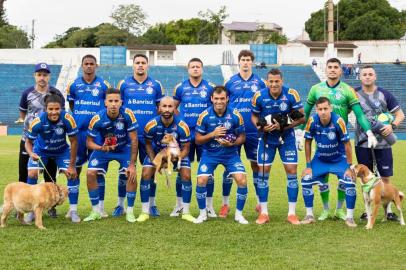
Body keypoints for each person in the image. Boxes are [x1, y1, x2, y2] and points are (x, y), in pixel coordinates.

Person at [302, 57, 377, 221]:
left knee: (345, 177)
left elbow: (359, 115)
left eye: (336, 67)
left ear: (341, 70)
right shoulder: (316, 89)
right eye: (330, 67)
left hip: (341, 143)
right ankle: (326, 210)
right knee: (323, 178)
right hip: (322, 142)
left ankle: (340, 209)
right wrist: (300, 133)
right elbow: (305, 113)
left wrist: (369, 132)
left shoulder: (348, 90)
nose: (333, 69)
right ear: (325, 69)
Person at [251, 68, 305, 225]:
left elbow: (301, 117)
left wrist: (283, 126)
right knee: (263, 172)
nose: (274, 84)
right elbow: (254, 115)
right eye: (271, 81)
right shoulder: (259, 95)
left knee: (291, 171)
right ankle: (264, 213)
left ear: (282, 81)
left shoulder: (291, 94)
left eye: (277, 81)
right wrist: (260, 127)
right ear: (267, 82)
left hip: (286, 138)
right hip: (266, 138)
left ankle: (292, 213)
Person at [355, 65, 405, 221]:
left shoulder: (385, 94)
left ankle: (388, 211)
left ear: (375, 76)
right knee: (365, 179)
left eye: (370, 74)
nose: (368, 77)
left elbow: (400, 114)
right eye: (364, 74)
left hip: (383, 143)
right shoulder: (354, 94)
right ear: (360, 77)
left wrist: (392, 125)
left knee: (385, 177)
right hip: (362, 142)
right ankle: (367, 211)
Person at [194, 86, 248, 224]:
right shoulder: (204, 116)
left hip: (230, 154)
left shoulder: (235, 114)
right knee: (201, 180)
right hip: (210, 154)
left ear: (227, 99)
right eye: (216, 98)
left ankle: (239, 215)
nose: (219, 101)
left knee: (242, 180)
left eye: (222, 98)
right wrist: (213, 134)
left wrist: (233, 143)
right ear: (212, 99)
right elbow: (197, 140)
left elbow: (242, 137)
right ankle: (202, 214)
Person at [118, 54, 164, 217]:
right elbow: (119, 107)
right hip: (128, 135)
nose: (140, 65)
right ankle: (120, 205)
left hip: (149, 137)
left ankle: (152, 204)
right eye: (137, 63)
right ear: (133, 65)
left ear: (148, 66)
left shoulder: (155, 85)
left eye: (143, 63)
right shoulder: (124, 84)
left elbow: (161, 109)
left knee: (150, 170)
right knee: (125, 170)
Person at [223, 49, 267, 218]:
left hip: (254, 131)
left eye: (248, 59)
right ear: (239, 62)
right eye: (243, 59)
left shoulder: (260, 82)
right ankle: (225, 204)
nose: (246, 62)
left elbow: (264, 103)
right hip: (234, 131)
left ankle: (258, 202)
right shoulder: (230, 82)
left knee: (256, 165)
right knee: (229, 167)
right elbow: (223, 103)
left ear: (252, 62)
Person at [83, 88, 139, 223]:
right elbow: (89, 143)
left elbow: (134, 139)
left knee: (131, 173)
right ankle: (96, 211)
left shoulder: (128, 114)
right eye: (110, 101)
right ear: (105, 103)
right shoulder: (97, 118)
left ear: (121, 102)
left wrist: (132, 164)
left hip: (123, 148)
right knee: (90, 173)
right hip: (104, 149)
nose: (113, 104)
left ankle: (129, 211)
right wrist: (102, 147)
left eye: (116, 101)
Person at [136, 96, 195, 223]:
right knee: (146, 173)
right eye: (164, 106)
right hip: (157, 154)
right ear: (158, 108)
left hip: (177, 155)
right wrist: (154, 161)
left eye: (170, 106)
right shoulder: (151, 125)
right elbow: (147, 144)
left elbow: (186, 148)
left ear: (175, 108)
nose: (167, 109)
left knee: (186, 175)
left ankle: (186, 212)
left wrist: (176, 159)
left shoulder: (182, 126)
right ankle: (145, 212)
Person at [17, 62, 65, 218]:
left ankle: (50, 205)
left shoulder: (55, 93)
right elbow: (23, 114)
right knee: (25, 174)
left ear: (49, 76)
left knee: (49, 174)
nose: (42, 77)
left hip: (49, 142)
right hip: (29, 139)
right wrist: (32, 127)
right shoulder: (27, 93)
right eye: (39, 74)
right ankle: (24, 208)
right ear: (35, 76)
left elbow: (61, 114)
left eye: (45, 75)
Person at [301, 97, 357, 227]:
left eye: (325, 108)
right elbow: (308, 142)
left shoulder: (338, 121)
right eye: (320, 109)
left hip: (339, 159)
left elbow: (348, 144)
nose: (323, 112)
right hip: (320, 159)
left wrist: (349, 167)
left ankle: (347, 216)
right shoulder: (312, 121)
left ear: (330, 108)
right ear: (317, 110)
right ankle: (310, 215)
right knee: (306, 179)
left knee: (349, 180)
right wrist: (308, 166)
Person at [66, 54, 111, 218]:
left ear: (96, 66)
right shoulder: (73, 85)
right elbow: (72, 105)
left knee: (97, 171)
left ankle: (100, 207)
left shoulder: (104, 85)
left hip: (97, 134)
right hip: (78, 134)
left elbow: (109, 103)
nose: (89, 66)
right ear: (82, 65)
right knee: (74, 170)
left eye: (92, 64)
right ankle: (73, 209)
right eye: (86, 63)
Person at [24, 94, 79, 223]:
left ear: (61, 108)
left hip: (62, 151)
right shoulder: (38, 122)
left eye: (57, 109)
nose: (54, 112)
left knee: (72, 175)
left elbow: (74, 142)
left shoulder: (67, 119)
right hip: (41, 151)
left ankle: (73, 211)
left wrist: (71, 165)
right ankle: (32, 211)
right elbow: (28, 142)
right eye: (51, 109)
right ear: (45, 109)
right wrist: (31, 153)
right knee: (32, 173)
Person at [172, 58, 215, 217]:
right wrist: (181, 120)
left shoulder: (210, 87)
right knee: (181, 170)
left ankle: (209, 207)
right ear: (188, 69)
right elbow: (173, 107)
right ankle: (179, 205)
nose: (195, 69)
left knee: (208, 171)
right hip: (185, 136)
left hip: (204, 135)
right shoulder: (180, 87)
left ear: (202, 69)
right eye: (192, 67)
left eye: (198, 67)